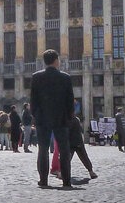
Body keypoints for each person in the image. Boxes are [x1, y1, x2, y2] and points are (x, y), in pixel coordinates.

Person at [30, 49, 75, 188]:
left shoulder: (36, 77)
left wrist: (36, 115)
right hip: (61, 119)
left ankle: (43, 180)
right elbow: (70, 101)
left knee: (43, 149)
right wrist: (69, 117)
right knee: (64, 150)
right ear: (56, 60)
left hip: (42, 118)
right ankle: (66, 181)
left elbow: (33, 101)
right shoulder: (65, 77)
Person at [66, 115, 99, 179]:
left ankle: (62, 173)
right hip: (78, 141)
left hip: (71, 142)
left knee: (66, 158)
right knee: (84, 157)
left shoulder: (68, 120)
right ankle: (91, 172)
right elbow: (80, 131)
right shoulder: (76, 119)